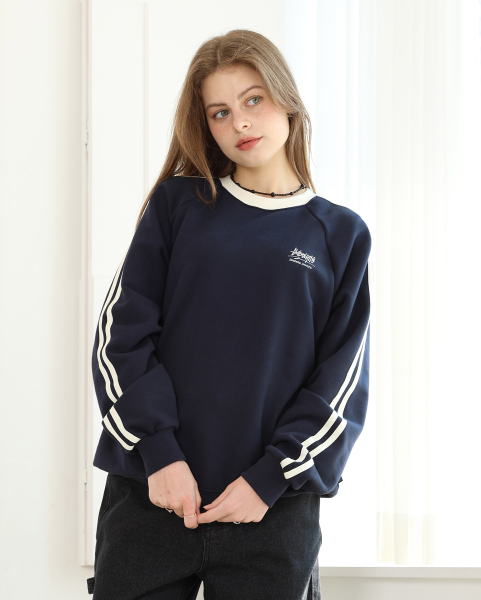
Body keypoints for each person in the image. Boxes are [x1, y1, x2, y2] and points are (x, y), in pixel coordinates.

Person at [86, 29, 373, 600]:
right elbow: (120, 338)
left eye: (253, 100)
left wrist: (270, 478)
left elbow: (340, 385)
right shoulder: (179, 206)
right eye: (220, 112)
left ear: (286, 99)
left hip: (270, 512)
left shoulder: (339, 234)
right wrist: (160, 455)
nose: (240, 122)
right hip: (153, 495)